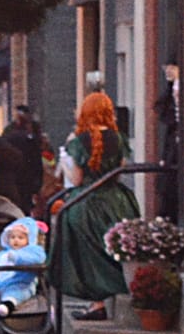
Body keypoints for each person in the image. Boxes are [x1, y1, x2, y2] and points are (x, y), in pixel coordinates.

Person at [51, 91, 138, 321]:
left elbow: (76, 179)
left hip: (86, 202)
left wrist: (64, 160)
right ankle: (122, 288)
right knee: (114, 248)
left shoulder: (78, 141)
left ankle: (97, 303)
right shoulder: (119, 138)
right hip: (116, 201)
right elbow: (119, 169)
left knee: (87, 253)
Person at [0, 215, 46, 316]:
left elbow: (37, 259)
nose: (16, 240)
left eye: (20, 238)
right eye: (12, 237)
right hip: (2, 281)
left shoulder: (33, 251)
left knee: (15, 294)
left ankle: (7, 305)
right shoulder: (3, 253)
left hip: (21, 284)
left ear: (29, 239)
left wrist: (17, 257)